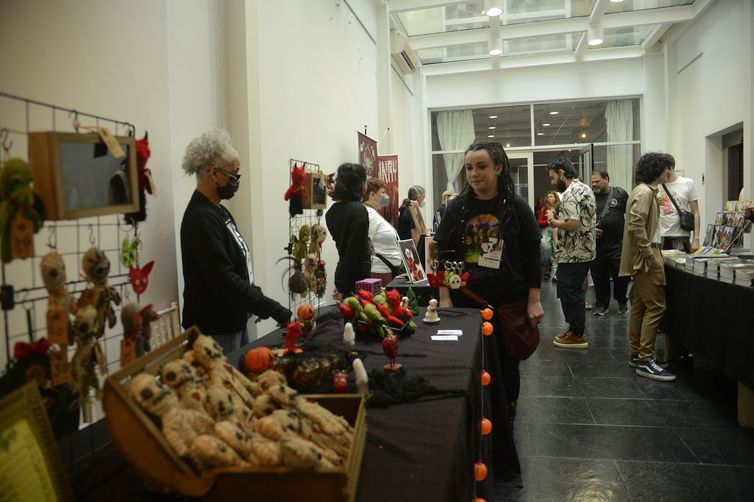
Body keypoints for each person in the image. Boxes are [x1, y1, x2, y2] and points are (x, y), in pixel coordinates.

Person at [435, 142, 543, 426]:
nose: (474, 173)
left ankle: (507, 412)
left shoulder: (517, 207)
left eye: (481, 166)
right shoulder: (456, 208)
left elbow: (533, 256)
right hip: (466, 301)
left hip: (509, 301)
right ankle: (474, 412)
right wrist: (444, 297)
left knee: (508, 364)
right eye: (469, 167)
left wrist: (534, 300)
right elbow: (443, 254)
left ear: (498, 168)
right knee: (470, 361)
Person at [179, 129, 291, 354]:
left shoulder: (219, 211)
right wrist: (272, 308)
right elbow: (224, 279)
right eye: (234, 174)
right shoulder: (201, 218)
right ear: (213, 173)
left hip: (234, 319)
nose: (236, 181)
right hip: (216, 328)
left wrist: (254, 300)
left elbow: (238, 267)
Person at [619, 153, 676, 382]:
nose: (669, 172)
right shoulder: (644, 192)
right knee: (656, 307)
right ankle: (646, 360)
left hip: (646, 255)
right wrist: (648, 255)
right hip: (647, 256)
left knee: (641, 306)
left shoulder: (644, 190)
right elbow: (636, 225)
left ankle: (637, 355)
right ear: (657, 170)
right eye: (666, 168)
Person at [546, 157, 596, 349]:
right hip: (585, 250)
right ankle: (574, 329)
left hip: (573, 252)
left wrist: (553, 221)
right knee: (573, 291)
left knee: (570, 293)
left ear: (561, 173)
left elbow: (572, 224)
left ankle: (577, 334)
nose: (552, 182)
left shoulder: (569, 193)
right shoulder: (585, 188)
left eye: (552, 177)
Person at [326, 163, 371, 300]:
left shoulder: (331, 212)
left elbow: (346, 251)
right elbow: (353, 251)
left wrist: (340, 282)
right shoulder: (358, 210)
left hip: (344, 272)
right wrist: (343, 285)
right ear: (360, 184)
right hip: (357, 277)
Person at [590, 171, 630, 316]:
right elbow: (582, 218)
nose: (594, 184)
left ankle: (621, 300)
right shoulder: (589, 197)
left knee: (621, 276)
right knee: (599, 277)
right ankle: (601, 305)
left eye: (597, 181)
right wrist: (589, 229)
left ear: (606, 179)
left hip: (617, 244)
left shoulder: (620, 193)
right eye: (592, 182)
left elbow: (631, 214)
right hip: (597, 245)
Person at [656, 155, 701, 252]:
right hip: (660, 236)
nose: (660, 174)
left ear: (670, 168)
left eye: (662, 171)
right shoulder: (657, 185)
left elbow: (696, 212)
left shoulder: (687, 183)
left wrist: (696, 239)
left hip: (681, 235)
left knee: (679, 266)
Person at [363, 177, 402, 286]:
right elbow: (366, 244)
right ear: (372, 195)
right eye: (383, 193)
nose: (386, 197)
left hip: (388, 271)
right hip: (380, 271)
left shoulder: (374, 213)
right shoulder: (369, 215)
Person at [537, 191, 559, 281]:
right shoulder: (544, 209)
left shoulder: (559, 208)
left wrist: (555, 217)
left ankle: (555, 274)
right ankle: (547, 268)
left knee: (556, 252)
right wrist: (549, 221)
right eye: (548, 196)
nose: (549, 198)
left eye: (551, 196)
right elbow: (539, 222)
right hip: (546, 232)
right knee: (545, 251)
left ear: (555, 198)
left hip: (557, 231)